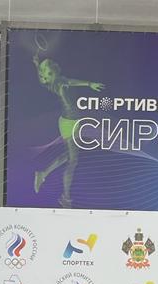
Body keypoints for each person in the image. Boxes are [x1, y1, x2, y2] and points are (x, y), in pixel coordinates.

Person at [32, 52, 104, 207]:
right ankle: (65, 198)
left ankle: (43, 174)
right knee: (73, 161)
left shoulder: (51, 82)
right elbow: (70, 82)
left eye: (49, 72)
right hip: (68, 124)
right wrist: (89, 84)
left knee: (69, 156)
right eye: (47, 74)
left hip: (73, 122)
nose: (49, 75)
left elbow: (49, 79)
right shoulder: (59, 82)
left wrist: (37, 64)